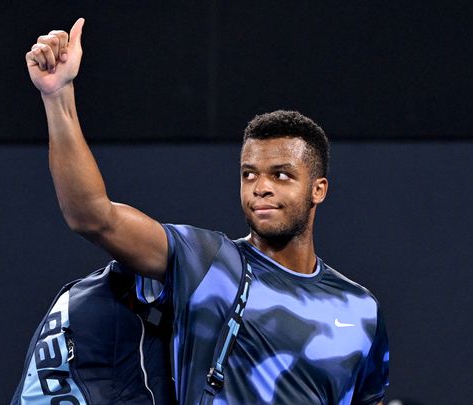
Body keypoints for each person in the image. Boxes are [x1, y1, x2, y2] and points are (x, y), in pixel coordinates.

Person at [25, 18, 389, 405]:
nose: (261, 187)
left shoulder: (362, 310)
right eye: (250, 174)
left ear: (318, 190)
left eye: (281, 175)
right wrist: (58, 95)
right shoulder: (208, 263)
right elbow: (92, 215)